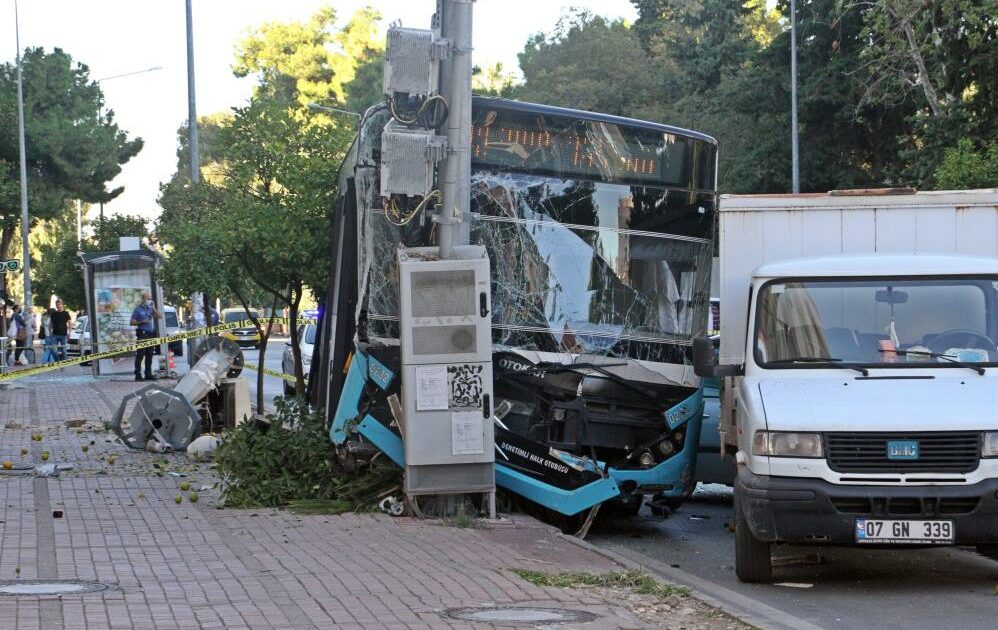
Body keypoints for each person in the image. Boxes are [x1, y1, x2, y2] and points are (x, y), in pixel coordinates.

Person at [130, 292, 160, 381]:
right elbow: (131, 322)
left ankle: (148, 374)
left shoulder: (150, 309)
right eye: (148, 298)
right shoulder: (137, 310)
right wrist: (142, 321)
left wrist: (154, 308)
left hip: (151, 334)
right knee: (140, 355)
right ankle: (138, 374)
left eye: (150, 298)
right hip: (142, 334)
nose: (149, 300)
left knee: (149, 355)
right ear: (143, 299)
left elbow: (159, 316)